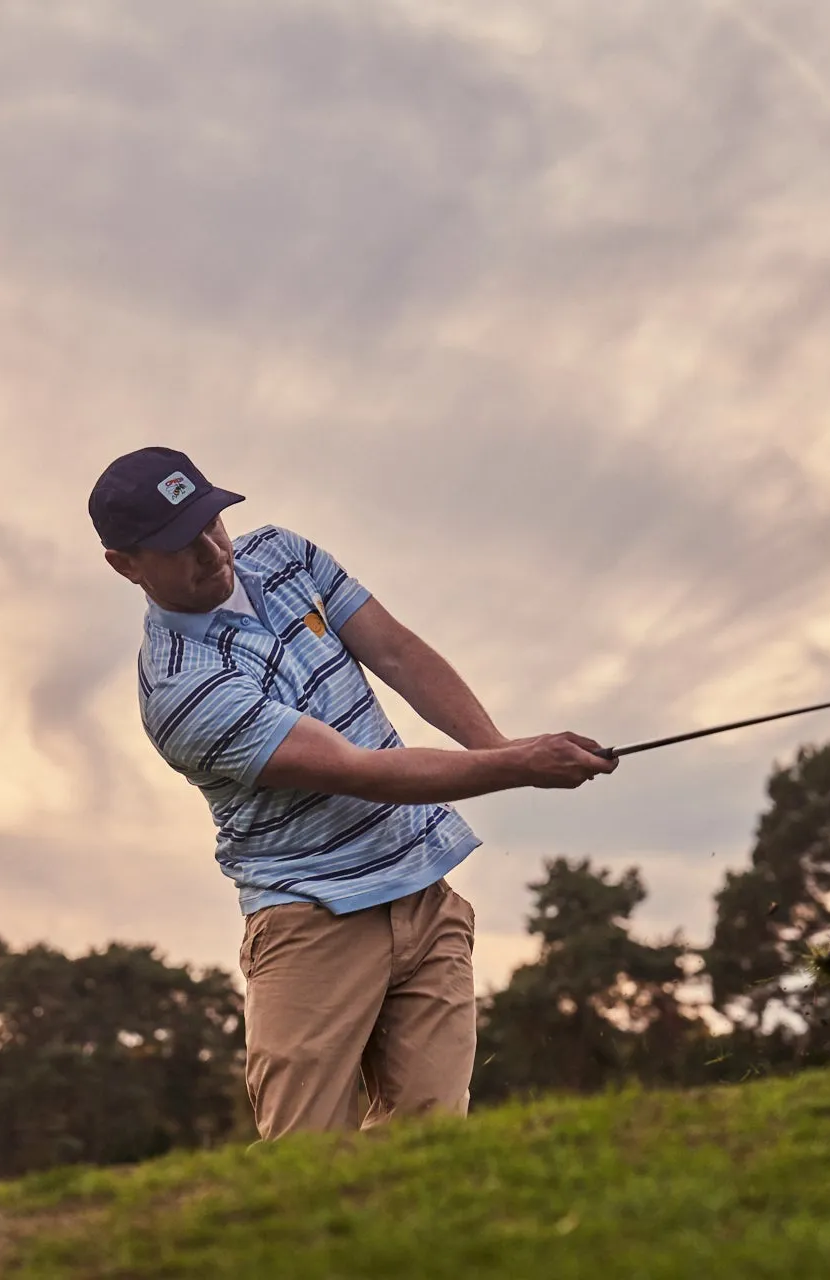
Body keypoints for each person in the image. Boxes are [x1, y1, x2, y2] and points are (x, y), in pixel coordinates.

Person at [89, 446, 616, 1140]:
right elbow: (358, 770)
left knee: (431, 1150)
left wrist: (498, 748)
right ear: (126, 564)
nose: (212, 550)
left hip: (423, 894)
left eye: (211, 523)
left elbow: (397, 652)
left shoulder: (282, 556)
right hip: (312, 917)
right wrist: (518, 767)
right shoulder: (181, 689)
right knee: (307, 1158)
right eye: (178, 544)